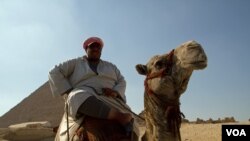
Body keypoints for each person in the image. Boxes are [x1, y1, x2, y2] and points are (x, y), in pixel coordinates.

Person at [48, 37, 132, 129]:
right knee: (75, 96)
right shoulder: (76, 63)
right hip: (85, 97)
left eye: (98, 47)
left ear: (101, 50)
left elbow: (122, 81)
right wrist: (69, 90)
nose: (95, 49)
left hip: (111, 99)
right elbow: (54, 72)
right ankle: (117, 116)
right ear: (86, 49)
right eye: (92, 47)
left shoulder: (111, 67)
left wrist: (115, 92)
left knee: (135, 125)